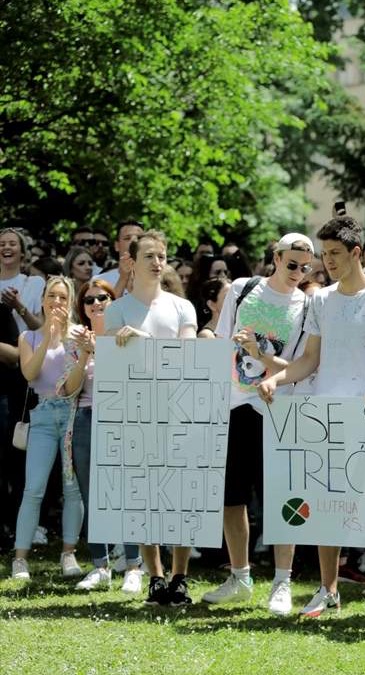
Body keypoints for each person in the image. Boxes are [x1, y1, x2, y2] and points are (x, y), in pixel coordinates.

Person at [257, 216, 365, 625]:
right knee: (326, 507)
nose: (327, 262)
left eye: (335, 255)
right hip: (324, 417)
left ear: (357, 253)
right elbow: (310, 359)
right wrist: (276, 377)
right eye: (324, 255)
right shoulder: (320, 300)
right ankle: (327, 591)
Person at [201, 233, 317, 617]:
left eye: (305, 267)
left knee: (283, 499)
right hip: (234, 405)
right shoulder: (241, 289)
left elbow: (300, 368)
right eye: (292, 264)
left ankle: (282, 581)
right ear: (276, 257)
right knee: (230, 498)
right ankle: (240, 577)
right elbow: (220, 344)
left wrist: (262, 356)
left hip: (279, 409)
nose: (299, 273)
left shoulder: (308, 305)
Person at [104, 230, 199, 606]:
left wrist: (145, 339)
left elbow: (190, 356)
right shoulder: (117, 309)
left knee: (181, 498)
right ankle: (155, 578)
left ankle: (180, 577)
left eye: (162, 255)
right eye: (149, 256)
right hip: (137, 416)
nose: (158, 263)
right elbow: (114, 364)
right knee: (144, 497)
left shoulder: (182, 307)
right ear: (132, 261)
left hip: (178, 412)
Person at [71, 279, 146, 592]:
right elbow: (69, 388)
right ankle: (100, 567)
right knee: (93, 497)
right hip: (87, 419)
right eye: (89, 300)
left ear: (114, 301)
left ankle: (133, 566)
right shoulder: (75, 338)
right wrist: (86, 353)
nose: (96, 303)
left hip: (124, 419)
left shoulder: (126, 333)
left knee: (129, 495)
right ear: (83, 307)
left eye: (103, 297)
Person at [10, 277, 86, 581]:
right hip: (41, 417)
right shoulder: (27, 336)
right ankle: (20, 559)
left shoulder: (78, 337)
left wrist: (67, 341)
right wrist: (48, 336)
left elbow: (73, 386)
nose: (57, 302)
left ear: (70, 303)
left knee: (72, 489)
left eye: (63, 298)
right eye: (52, 296)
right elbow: (29, 373)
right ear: (42, 299)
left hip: (70, 415)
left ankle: (69, 553)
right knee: (34, 488)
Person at [0, 228, 45, 332]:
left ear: (22, 253)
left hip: (25, 347)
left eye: (12, 244)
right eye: (2, 244)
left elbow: (40, 328)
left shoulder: (35, 283)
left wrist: (18, 306)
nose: (6, 247)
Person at [95, 221, 144, 297]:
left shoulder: (157, 277)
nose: (134, 241)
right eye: (127, 238)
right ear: (117, 245)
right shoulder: (100, 280)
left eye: (139, 238)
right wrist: (123, 279)